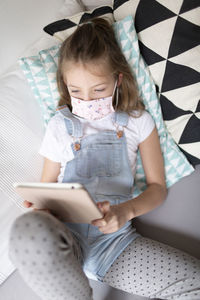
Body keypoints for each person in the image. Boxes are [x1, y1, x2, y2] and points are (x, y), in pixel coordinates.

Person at [9, 17, 200, 300]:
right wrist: (40, 209)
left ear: (118, 79)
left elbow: (157, 188)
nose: (86, 100)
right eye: (76, 91)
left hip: (113, 244)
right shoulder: (59, 126)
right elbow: (46, 185)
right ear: (65, 85)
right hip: (64, 238)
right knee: (26, 229)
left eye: (98, 90)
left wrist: (126, 212)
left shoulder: (138, 122)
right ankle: (72, 291)